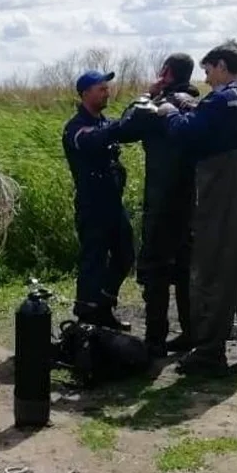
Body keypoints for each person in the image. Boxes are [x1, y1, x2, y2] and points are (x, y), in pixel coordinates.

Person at [153, 44, 237, 376]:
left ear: (222, 67)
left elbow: (188, 135)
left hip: (224, 190)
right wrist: (196, 107)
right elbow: (218, 123)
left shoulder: (221, 100)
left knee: (212, 267)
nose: (206, 80)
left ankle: (208, 352)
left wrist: (170, 112)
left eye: (208, 72)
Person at [61, 70, 143, 331]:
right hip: (92, 204)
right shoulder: (75, 128)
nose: (107, 92)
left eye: (107, 88)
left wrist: (146, 112)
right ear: (85, 94)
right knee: (93, 259)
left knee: (125, 254)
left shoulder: (103, 122)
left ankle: (104, 307)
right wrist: (123, 123)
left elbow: (124, 132)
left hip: (113, 203)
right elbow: (95, 139)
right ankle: (86, 318)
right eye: (101, 89)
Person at [135, 53, 202, 357]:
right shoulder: (196, 104)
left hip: (162, 198)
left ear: (166, 72)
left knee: (155, 269)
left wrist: (149, 92)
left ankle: (156, 338)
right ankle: (191, 332)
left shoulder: (160, 104)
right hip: (190, 198)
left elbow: (128, 123)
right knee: (186, 268)